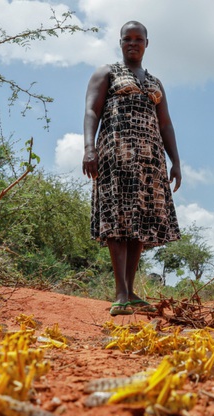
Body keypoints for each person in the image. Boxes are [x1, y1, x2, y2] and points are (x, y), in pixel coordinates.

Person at [82, 20, 182, 316]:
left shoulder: (155, 82)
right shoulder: (107, 73)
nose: (133, 43)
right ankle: (120, 294)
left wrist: (175, 160)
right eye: (128, 39)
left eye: (139, 39)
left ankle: (130, 292)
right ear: (121, 42)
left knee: (138, 222)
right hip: (116, 154)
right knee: (117, 217)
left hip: (149, 160)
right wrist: (89, 148)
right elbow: (91, 110)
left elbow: (165, 123)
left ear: (147, 44)